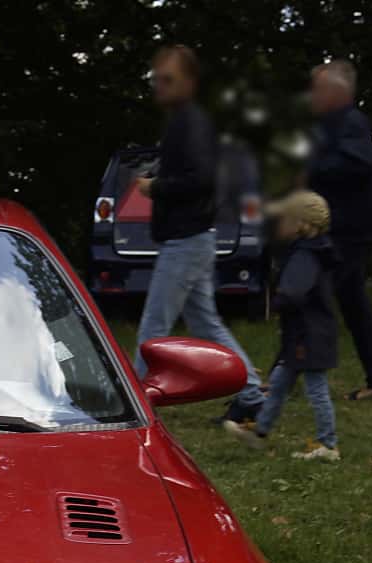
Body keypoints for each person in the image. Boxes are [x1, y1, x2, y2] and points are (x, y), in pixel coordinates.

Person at [133, 44, 264, 424]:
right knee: (206, 324)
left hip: (186, 241)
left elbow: (202, 180)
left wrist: (155, 187)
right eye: (157, 79)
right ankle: (251, 394)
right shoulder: (184, 122)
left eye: (168, 79)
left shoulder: (191, 122)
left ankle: (133, 408)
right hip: (192, 238)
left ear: (189, 81)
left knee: (153, 329)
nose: (159, 85)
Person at [224, 191, 341, 462]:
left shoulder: (306, 255)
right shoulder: (312, 249)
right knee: (278, 383)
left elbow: (294, 292)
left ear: (303, 223)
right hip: (304, 332)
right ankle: (260, 431)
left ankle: (328, 444)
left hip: (309, 335)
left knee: (316, 388)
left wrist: (278, 302)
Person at [305, 59, 372, 401]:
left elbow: (358, 165)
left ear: (335, 91)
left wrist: (309, 168)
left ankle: (282, 375)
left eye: (317, 88)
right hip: (337, 228)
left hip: (346, 231)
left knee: (310, 297)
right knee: (354, 306)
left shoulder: (351, 122)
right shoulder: (328, 125)